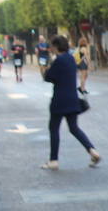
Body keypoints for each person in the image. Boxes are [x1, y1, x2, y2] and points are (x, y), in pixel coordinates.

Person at [40, 35, 100, 170]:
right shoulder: (71, 59)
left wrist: (46, 68)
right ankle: (92, 150)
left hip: (59, 100)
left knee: (54, 128)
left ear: (56, 47)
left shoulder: (58, 60)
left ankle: (53, 160)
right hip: (72, 99)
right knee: (74, 128)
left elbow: (48, 77)